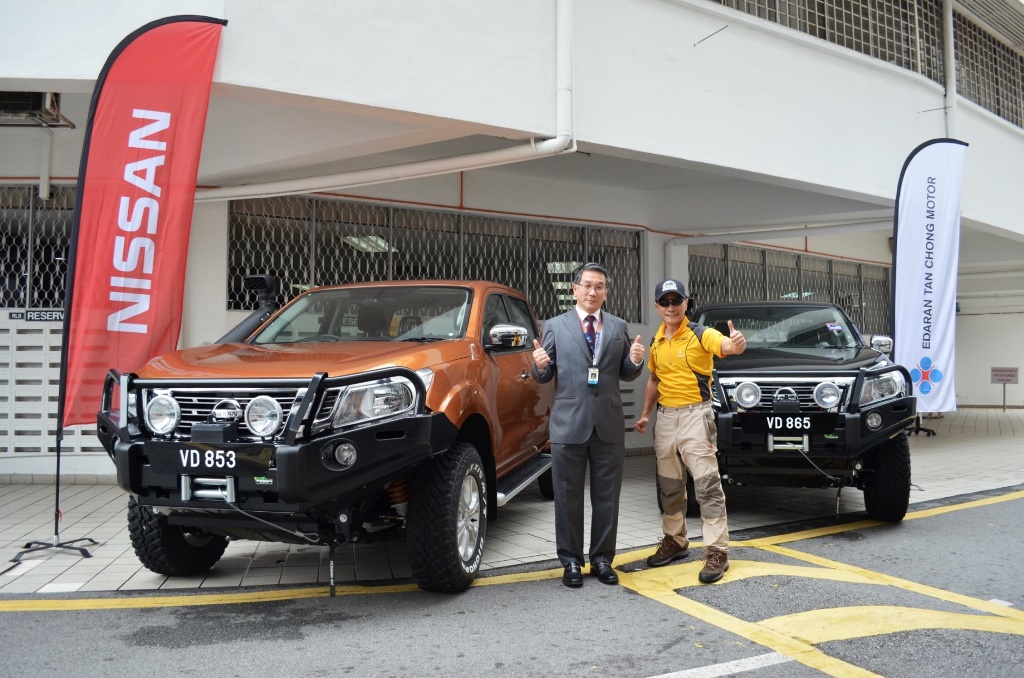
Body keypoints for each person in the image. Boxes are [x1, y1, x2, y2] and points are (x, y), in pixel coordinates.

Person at [531, 263, 646, 588]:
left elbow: (626, 372)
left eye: (599, 286)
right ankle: (570, 561)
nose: (592, 292)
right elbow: (544, 374)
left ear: (606, 292)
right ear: (575, 289)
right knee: (567, 497)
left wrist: (636, 360)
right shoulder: (555, 326)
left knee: (607, 497)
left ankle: (602, 559)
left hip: (608, 424)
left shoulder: (618, 326)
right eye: (587, 285)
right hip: (568, 425)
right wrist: (539, 365)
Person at [633, 279, 746, 584]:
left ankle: (717, 551)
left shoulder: (701, 333)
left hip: (696, 415)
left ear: (686, 303)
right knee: (670, 486)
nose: (670, 307)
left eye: (676, 301)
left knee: (707, 486)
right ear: (657, 306)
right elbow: (654, 380)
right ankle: (675, 540)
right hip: (665, 418)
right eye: (665, 302)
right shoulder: (656, 340)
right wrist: (645, 415)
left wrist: (736, 344)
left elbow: (726, 346)